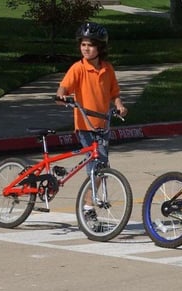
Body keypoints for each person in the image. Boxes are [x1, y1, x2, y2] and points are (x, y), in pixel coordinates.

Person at [56, 22, 127, 218]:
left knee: (101, 166)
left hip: (103, 125)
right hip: (85, 125)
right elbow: (63, 88)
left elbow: (114, 94)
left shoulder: (107, 69)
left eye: (91, 45)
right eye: (83, 45)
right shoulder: (78, 68)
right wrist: (61, 96)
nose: (86, 49)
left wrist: (119, 106)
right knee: (96, 166)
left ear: (100, 48)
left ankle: (88, 203)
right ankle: (88, 207)